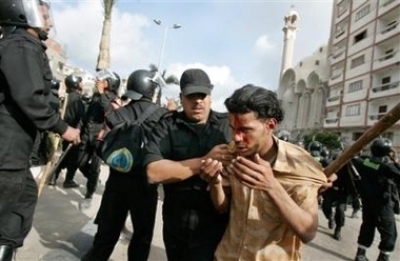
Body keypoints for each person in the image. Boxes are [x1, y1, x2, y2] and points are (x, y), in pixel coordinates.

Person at [200, 84, 327, 261]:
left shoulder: (300, 165)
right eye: (233, 129)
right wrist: (215, 183)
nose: (236, 138)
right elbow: (223, 208)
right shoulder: (232, 154)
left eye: (245, 130)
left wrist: (271, 186)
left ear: (270, 125)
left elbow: (308, 232)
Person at [0, 1, 80, 260]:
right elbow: (30, 97)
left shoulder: (25, 46)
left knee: (22, 201)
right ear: (22, 12)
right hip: (6, 154)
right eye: (44, 14)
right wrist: (61, 127)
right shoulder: (21, 46)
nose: (50, 21)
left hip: (15, 155)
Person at [143, 68, 233, 261]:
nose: (198, 101)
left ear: (210, 96)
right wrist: (203, 162)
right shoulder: (167, 126)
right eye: (192, 95)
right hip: (176, 226)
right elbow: (153, 172)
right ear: (181, 97)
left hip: (215, 228)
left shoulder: (228, 127)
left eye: (202, 95)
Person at [81, 69, 167, 261]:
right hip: (145, 186)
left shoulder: (117, 114)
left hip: (116, 183)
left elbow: (99, 145)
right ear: (151, 90)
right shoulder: (163, 116)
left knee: (106, 236)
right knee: (141, 238)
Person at [352, 138, 400, 261]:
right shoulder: (386, 168)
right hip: (382, 205)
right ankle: (383, 258)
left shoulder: (364, 162)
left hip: (367, 203)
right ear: (386, 152)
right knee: (390, 234)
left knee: (367, 227)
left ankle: (360, 255)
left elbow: (357, 159)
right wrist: (394, 159)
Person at [49, 73, 85, 187]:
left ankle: (53, 177)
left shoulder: (65, 97)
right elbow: (80, 118)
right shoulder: (77, 100)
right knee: (71, 158)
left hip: (63, 130)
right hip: (72, 132)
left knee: (63, 155)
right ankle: (66, 180)